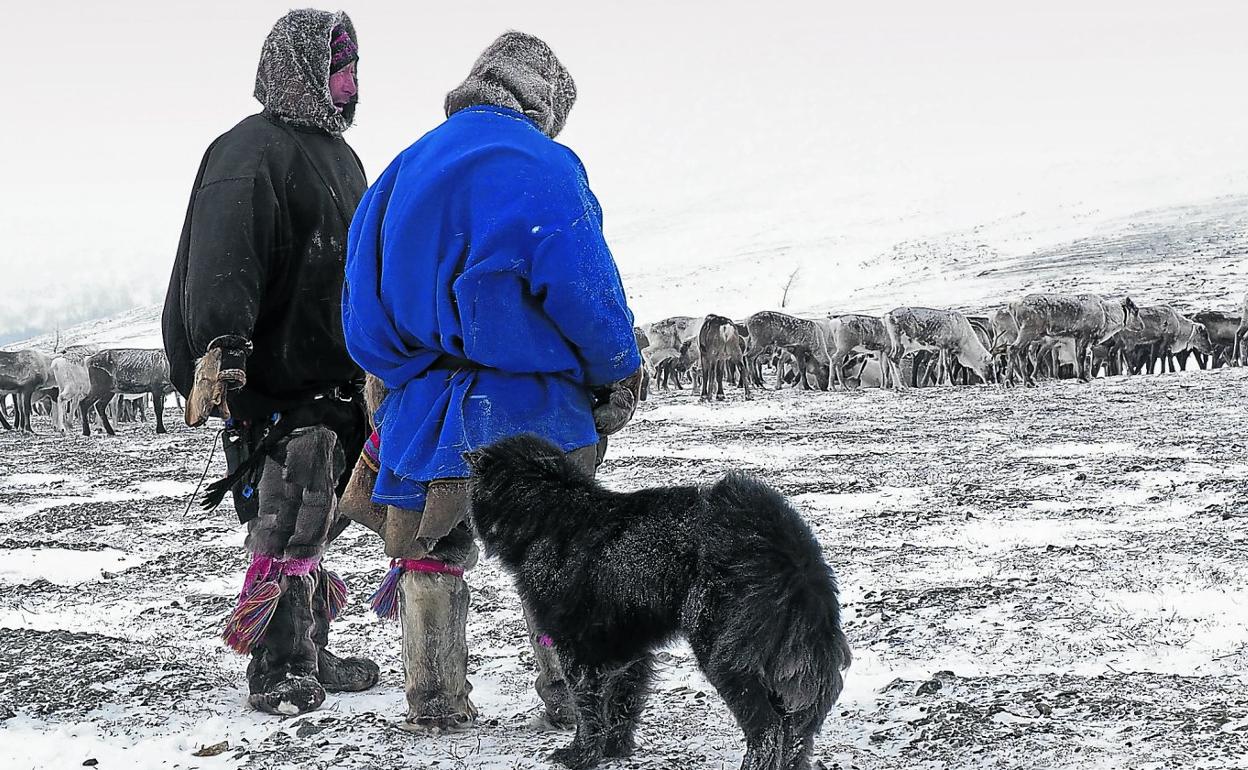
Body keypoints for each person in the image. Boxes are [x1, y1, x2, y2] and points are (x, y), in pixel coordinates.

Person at [340, 31, 644, 732]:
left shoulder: (400, 170)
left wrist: (402, 377)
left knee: (432, 551)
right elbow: (584, 291)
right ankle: (573, 693)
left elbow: (360, 306)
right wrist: (616, 371)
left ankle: (434, 699)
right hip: (531, 402)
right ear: (543, 100)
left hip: (426, 406)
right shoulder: (543, 164)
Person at [161, 9, 378, 716]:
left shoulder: (341, 157)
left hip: (334, 372)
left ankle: (308, 646)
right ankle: (276, 666)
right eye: (340, 67)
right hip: (276, 375)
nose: (351, 82)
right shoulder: (248, 150)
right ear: (304, 70)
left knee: (314, 520)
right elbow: (224, 256)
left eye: (353, 67)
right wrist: (223, 349)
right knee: (285, 523)